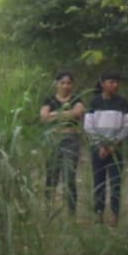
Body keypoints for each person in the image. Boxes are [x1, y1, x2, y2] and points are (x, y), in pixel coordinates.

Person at [85, 75, 128, 216]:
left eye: (117, 82)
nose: (115, 85)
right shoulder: (94, 102)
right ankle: (98, 213)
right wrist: (100, 145)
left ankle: (114, 214)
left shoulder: (123, 103)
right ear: (102, 84)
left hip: (116, 148)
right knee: (99, 181)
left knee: (115, 181)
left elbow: (127, 126)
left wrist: (113, 145)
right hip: (97, 148)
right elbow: (88, 126)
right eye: (111, 82)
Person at [43, 76, 88, 211]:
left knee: (69, 177)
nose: (65, 86)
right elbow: (44, 117)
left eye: (68, 83)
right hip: (53, 140)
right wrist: (69, 113)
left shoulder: (77, 99)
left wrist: (55, 114)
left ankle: (71, 213)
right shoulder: (49, 100)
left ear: (72, 85)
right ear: (56, 84)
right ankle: (48, 210)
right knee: (51, 176)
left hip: (71, 139)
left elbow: (79, 112)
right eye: (62, 83)